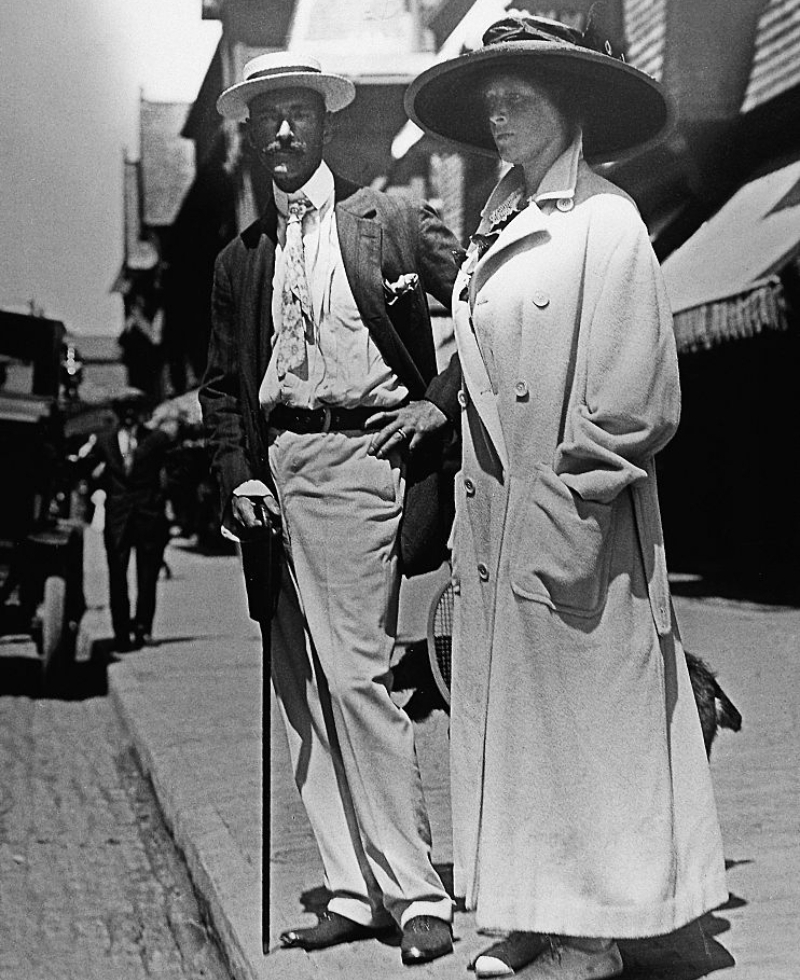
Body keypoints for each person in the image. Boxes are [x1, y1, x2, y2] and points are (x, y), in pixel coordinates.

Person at [405, 16, 729, 980]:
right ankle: (525, 909)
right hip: (495, 523)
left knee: (581, 728)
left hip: (572, 525)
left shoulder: (606, 221)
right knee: (510, 726)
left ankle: (588, 937)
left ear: (569, 102)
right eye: (490, 95)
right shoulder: (500, 219)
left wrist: (564, 507)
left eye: (522, 93)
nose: (500, 111)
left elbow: (637, 397)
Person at [200, 52, 461, 965]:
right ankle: (351, 890)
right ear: (250, 133)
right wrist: (239, 475)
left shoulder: (384, 218)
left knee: (356, 678)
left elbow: (483, 297)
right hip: (278, 476)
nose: (280, 132)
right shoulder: (241, 259)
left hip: (362, 461)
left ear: (325, 125)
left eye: (296, 115)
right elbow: (224, 389)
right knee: (299, 688)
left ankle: (417, 891)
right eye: (264, 117)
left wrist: (441, 398)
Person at [85, 389, 174, 651]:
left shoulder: (157, 440)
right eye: (124, 411)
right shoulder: (104, 442)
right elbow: (87, 471)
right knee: (117, 575)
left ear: (141, 413)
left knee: (147, 576)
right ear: (117, 414)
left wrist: (163, 500)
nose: (129, 416)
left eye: (134, 410)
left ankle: (143, 627)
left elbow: (176, 470)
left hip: (149, 516)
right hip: (118, 519)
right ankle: (121, 631)